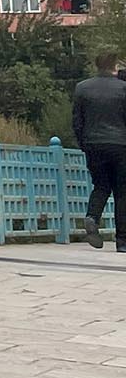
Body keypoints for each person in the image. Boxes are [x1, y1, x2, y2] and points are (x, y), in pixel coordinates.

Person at [73, 54, 126, 252]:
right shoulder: (123, 88)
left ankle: (92, 217)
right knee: (122, 192)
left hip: (93, 144)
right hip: (121, 144)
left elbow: (77, 120)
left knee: (101, 185)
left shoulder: (82, 88)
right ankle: (122, 241)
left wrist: (83, 143)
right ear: (115, 66)